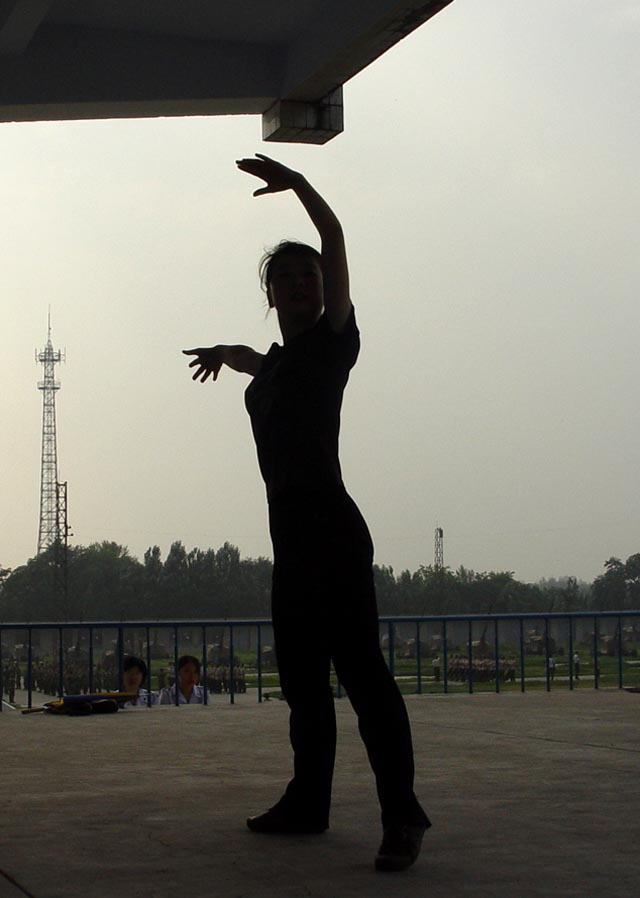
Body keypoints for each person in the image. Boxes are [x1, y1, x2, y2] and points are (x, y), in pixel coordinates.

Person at [183, 154, 430, 872]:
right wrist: (227, 352)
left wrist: (300, 189)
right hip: (290, 544)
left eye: (310, 276)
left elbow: (336, 238)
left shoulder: (332, 344)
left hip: (334, 536)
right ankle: (307, 803)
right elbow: (256, 361)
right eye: (286, 277)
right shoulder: (281, 364)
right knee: (302, 686)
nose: (300, 283)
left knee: (364, 680)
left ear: (324, 290)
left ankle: (402, 816)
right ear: (270, 294)